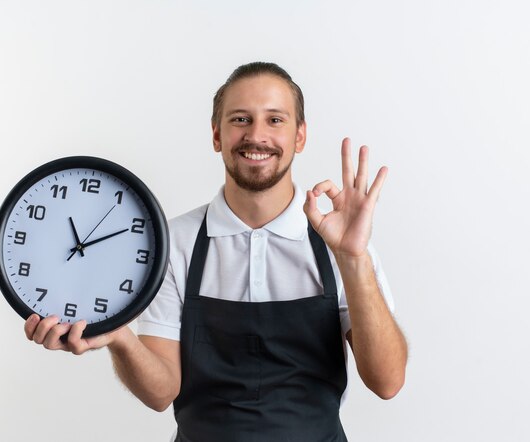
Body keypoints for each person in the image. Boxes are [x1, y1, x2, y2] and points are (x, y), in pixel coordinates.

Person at [24, 62, 408, 441]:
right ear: (216, 135)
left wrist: (354, 259)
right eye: (240, 119)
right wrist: (119, 339)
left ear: (300, 136)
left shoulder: (341, 243)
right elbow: (161, 393)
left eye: (275, 120)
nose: (256, 135)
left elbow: (387, 382)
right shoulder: (172, 243)